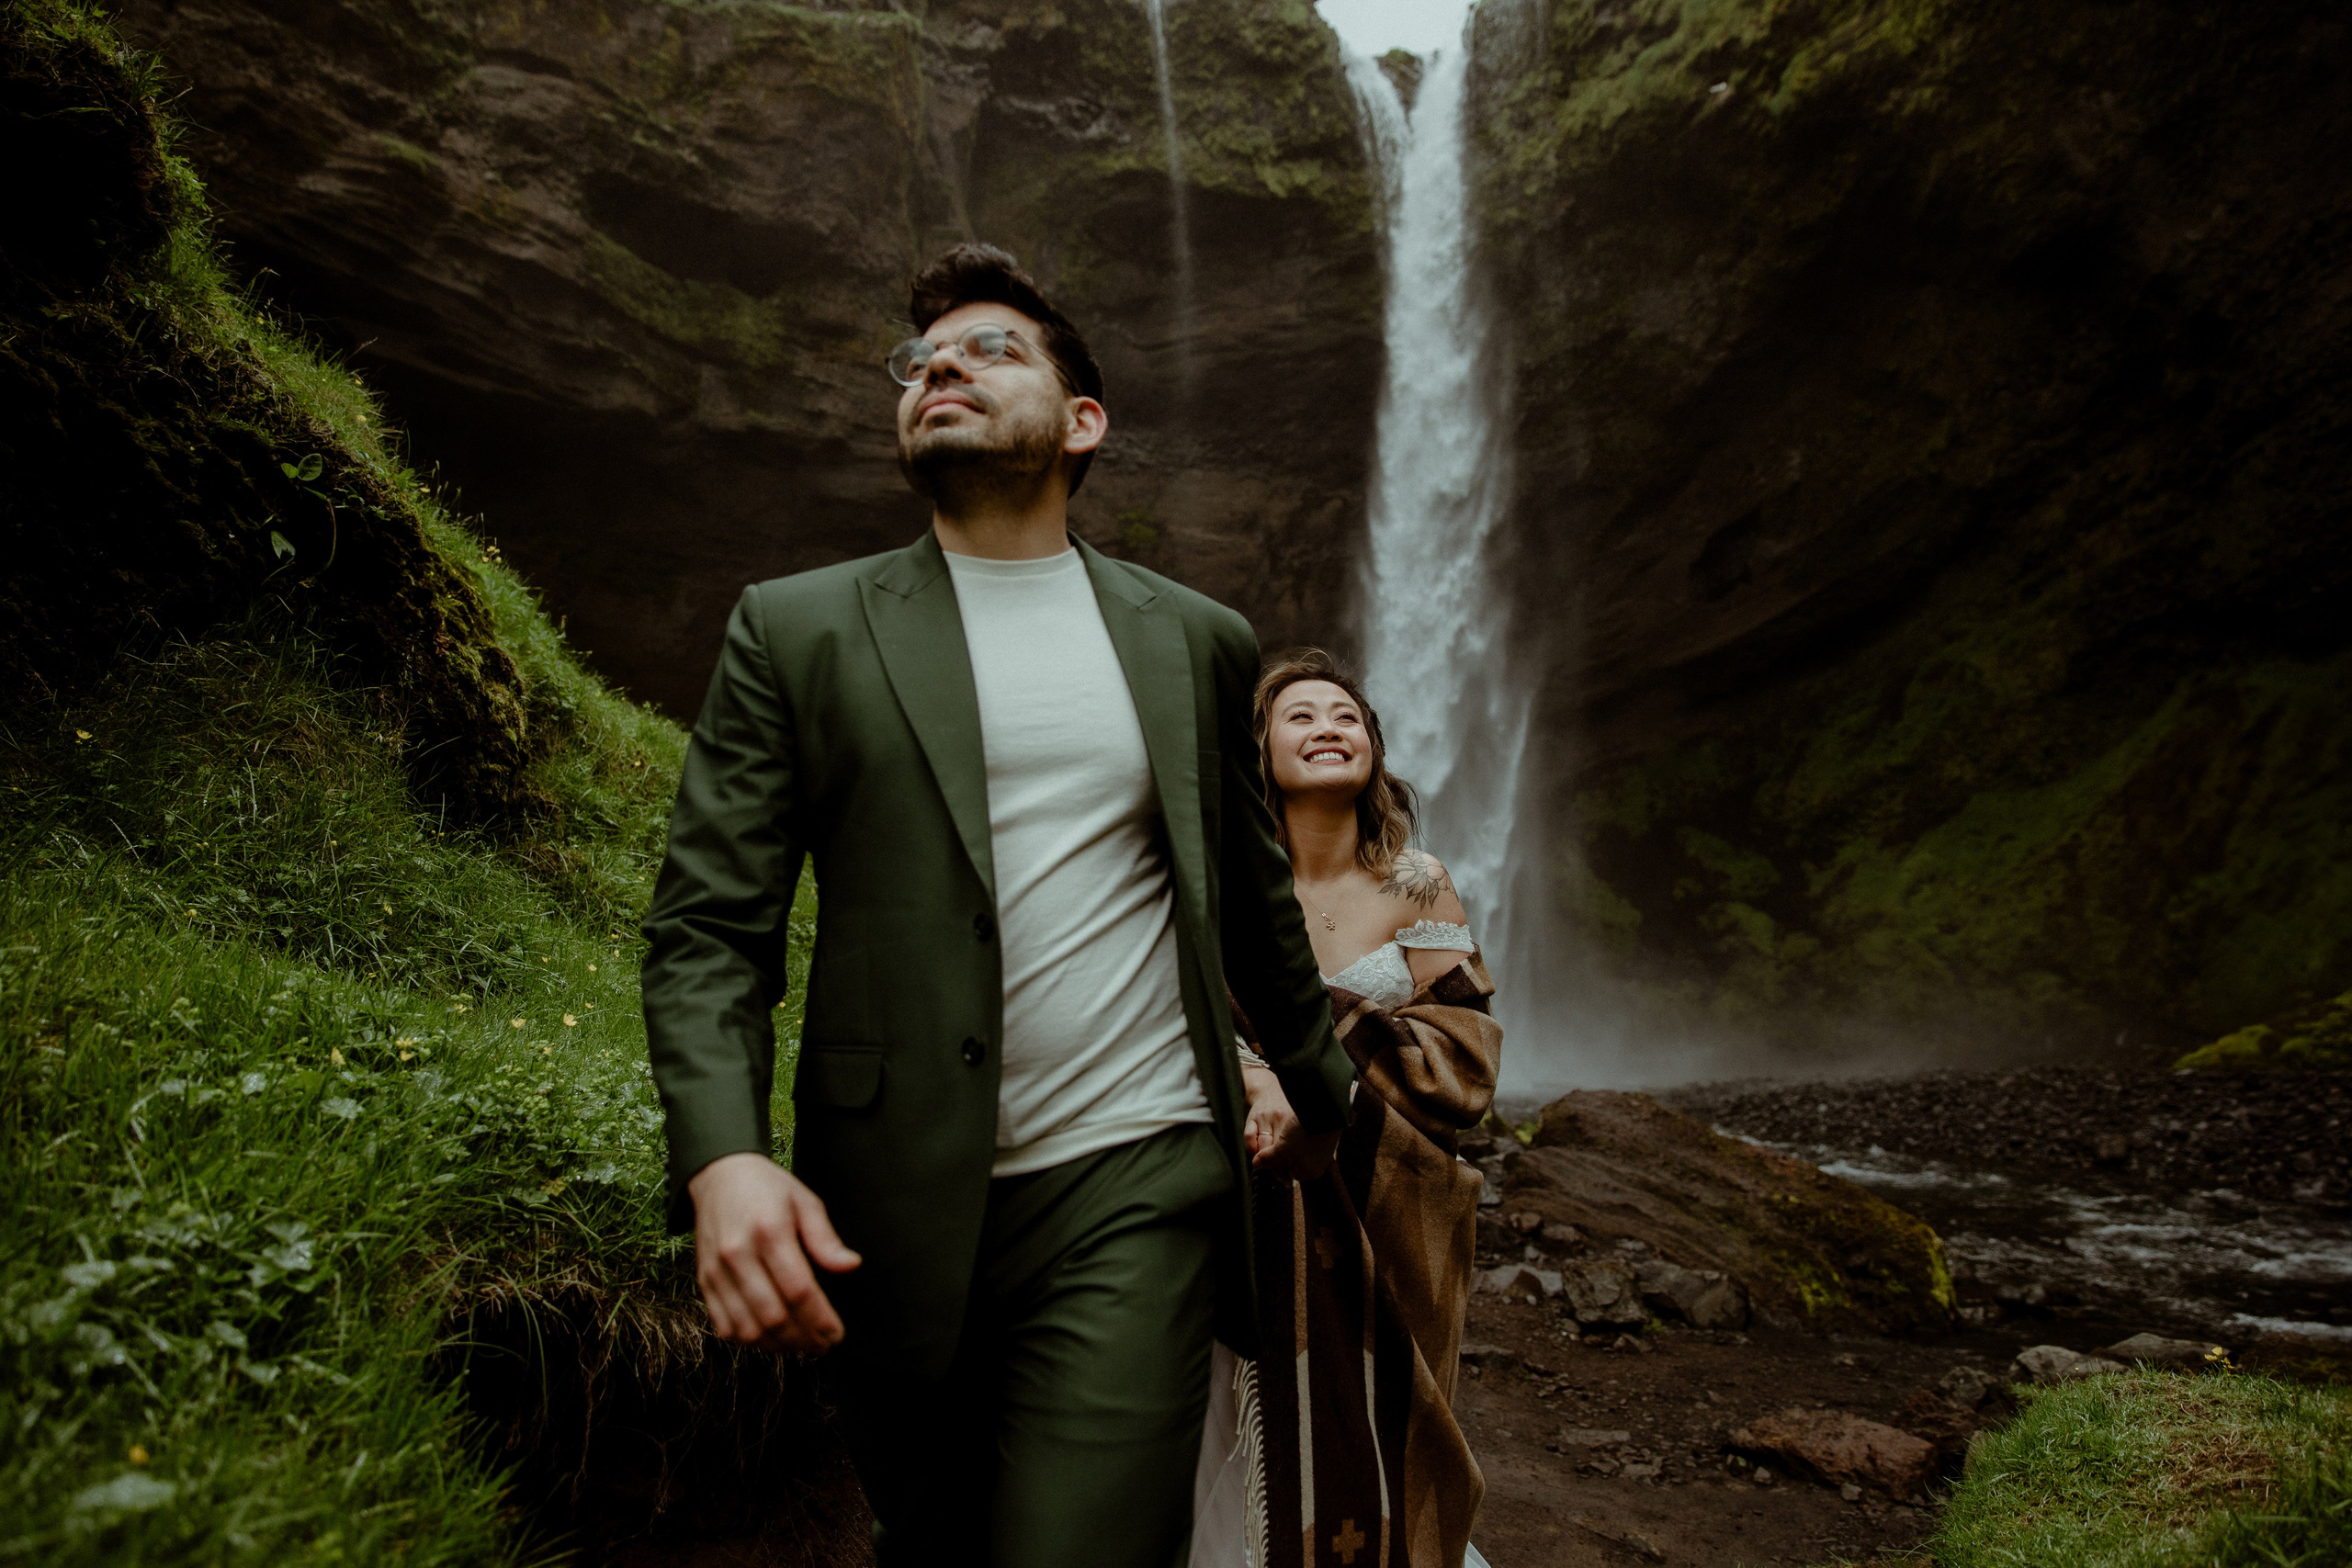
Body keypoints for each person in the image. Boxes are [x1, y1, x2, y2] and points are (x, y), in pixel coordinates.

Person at [638, 243, 1356, 1566]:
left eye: (988, 350)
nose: (939, 369)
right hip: (891, 1201)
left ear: (1085, 423)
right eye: (918, 361)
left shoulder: (1195, 636)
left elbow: (1251, 896)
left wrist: (1320, 1097)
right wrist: (725, 1154)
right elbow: (709, 925)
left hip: (1137, 1177)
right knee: (939, 1536)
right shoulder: (794, 628)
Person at [1191, 649, 1503, 1568]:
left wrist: (1315, 1074)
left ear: (1371, 747)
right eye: (1300, 715)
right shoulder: (1218, 884)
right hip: (1235, 1190)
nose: (1327, 726)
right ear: (1261, 752)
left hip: (1377, 1206)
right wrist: (1258, 1082)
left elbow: (1465, 1042)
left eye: (1345, 716)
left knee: (1370, 1421)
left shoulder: (1419, 880)